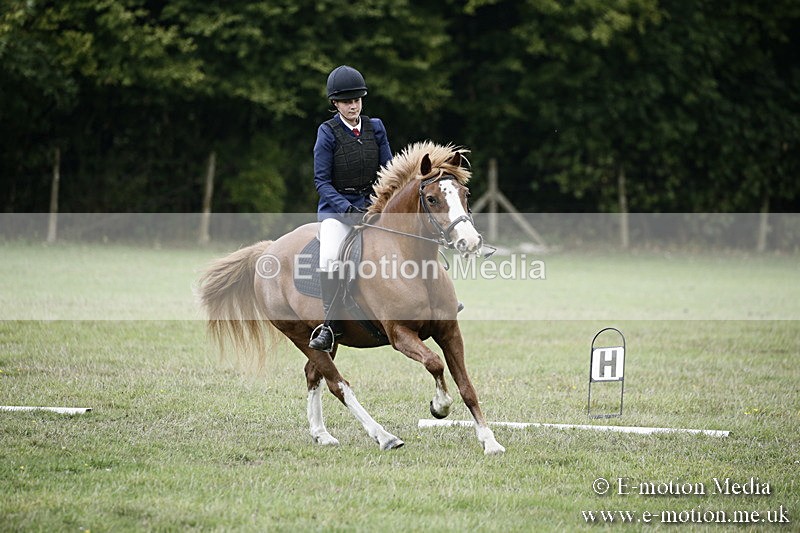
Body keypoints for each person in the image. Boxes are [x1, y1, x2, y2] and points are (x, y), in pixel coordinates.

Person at [309, 65, 392, 352]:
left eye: (356, 100)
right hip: (337, 210)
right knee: (331, 256)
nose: (353, 106)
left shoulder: (376, 127)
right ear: (335, 104)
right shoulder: (327, 132)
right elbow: (321, 181)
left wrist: (381, 205)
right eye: (346, 102)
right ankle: (330, 326)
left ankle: (437, 300)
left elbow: (388, 171)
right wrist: (346, 210)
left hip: (373, 206)